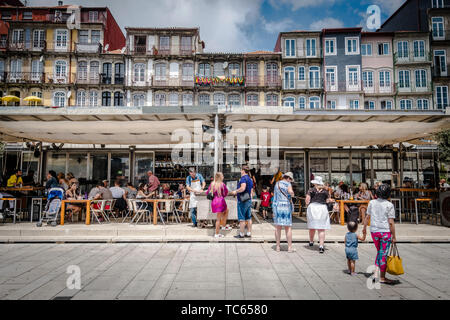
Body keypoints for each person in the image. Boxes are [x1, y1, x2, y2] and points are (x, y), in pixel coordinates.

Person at [362, 184, 397, 285]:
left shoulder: (372, 203)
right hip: (385, 232)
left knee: (380, 252)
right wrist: (394, 236)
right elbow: (391, 222)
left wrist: (364, 228)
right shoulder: (389, 205)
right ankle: (381, 277)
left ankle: (377, 274)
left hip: (374, 231)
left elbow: (367, 217)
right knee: (382, 254)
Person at [306, 176, 332, 254]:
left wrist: (307, 203)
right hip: (322, 209)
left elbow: (307, 201)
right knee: (321, 228)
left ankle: (311, 241)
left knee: (312, 226)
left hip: (313, 208)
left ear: (315, 183)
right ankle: (321, 246)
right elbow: (328, 200)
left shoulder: (311, 190)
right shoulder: (325, 191)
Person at [272, 172, 296, 252]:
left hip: (278, 206)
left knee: (278, 227)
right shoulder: (288, 184)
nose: (290, 181)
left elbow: (274, 197)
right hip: (286, 206)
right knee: (288, 227)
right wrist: (292, 193)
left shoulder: (277, 184)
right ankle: (289, 247)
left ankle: (278, 247)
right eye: (290, 179)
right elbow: (290, 192)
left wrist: (274, 208)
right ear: (288, 178)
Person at [230, 165, 254, 239]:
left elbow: (243, 188)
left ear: (243, 171)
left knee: (242, 218)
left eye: (241, 170)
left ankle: (241, 234)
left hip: (242, 200)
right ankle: (249, 233)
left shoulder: (243, 178)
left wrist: (235, 191)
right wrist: (250, 198)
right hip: (248, 200)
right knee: (248, 217)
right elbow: (252, 191)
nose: (240, 171)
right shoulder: (250, 179)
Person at [207, 172, 230, 238]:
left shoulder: (212, 184)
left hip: (214, 201)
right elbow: (225, 193)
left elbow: (207, 192)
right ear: (220, 177)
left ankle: (223, 226)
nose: (223, 177)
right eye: (222, 176)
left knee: (227, 210)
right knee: (218, 218)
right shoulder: (222, 184)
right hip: (220, 201)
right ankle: (217, 234)